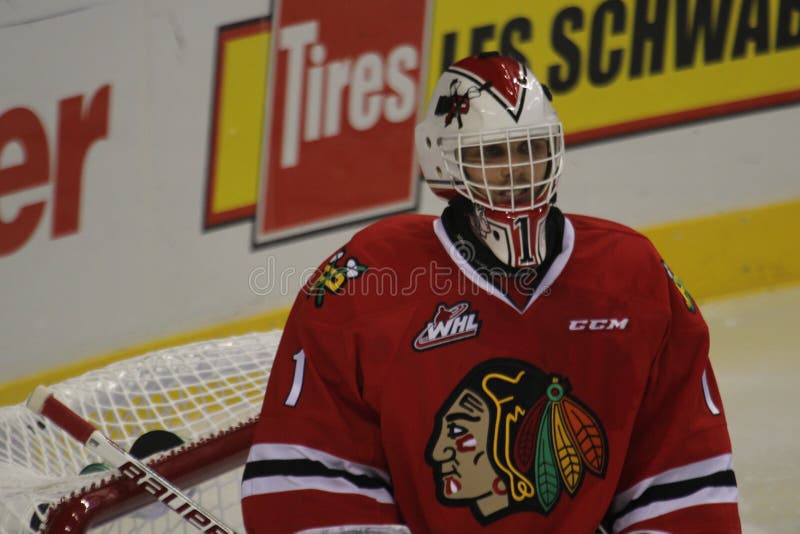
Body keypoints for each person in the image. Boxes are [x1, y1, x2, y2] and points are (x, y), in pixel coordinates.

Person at [240, 52, 741, 533]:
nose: (517, 170)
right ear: (443, 162)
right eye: (493, 154)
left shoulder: (632, 277)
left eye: (529, 148)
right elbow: (304, 481)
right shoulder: (368, 280)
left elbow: (681, 475)